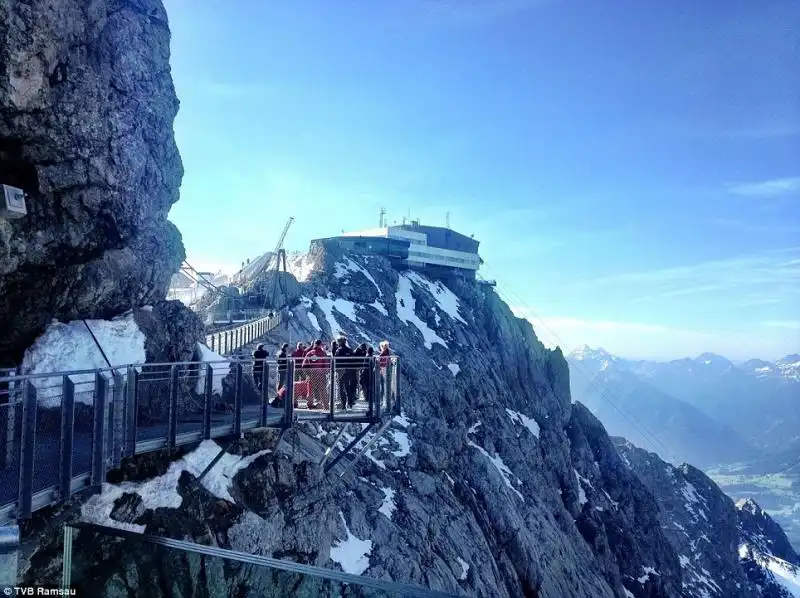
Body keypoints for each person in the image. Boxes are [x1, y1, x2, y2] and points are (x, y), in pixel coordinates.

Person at [302, 340, 330, 409]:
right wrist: (324, 373)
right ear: (320, 345)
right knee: (323, 391)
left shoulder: (309, 353)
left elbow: (304, 365)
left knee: (310, 390)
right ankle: (326, 406)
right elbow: (326, 365)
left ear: (314, 344)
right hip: (321, 375)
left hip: (311, 375)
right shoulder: (323, 354)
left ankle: (310, 405)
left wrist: (308, 374)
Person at [334, 336, 357, 409]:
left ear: (340, 342)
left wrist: (336, 370)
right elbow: (353, 360)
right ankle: (350, 402)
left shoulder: (339, 350)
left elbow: (336, 361)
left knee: (341, 387)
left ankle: (343, 403)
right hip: (350, 371)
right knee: (348, 387)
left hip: (341, 371)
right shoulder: (350, 350)